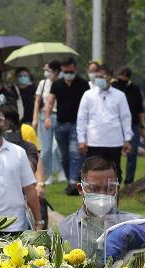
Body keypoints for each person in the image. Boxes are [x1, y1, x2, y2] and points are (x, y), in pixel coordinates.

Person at [58, 155, 140, 257]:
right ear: (80, 189)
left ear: (116, 189)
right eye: (94, 189)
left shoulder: (136, 228)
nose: (102, 195)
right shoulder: (63, 231)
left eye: (109, 189)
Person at [75, 65, 133, 182]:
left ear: (110, 77)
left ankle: (113, 197)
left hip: (114, 142)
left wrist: (127, 139)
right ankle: (93, 197)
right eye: (97, 77)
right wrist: (81, 139)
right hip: (94, 141)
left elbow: (125, 118)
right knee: (93, 172)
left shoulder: (120, 95)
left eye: (102, 76)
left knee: (115, 172)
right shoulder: (88, 95)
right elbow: (82, 118)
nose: (99, 79)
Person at [47, 59, 90, 195]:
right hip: (60, 125)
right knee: (64, 156)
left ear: (75, 69)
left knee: (75, 155)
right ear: (62, 71)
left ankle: (72, 183)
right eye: (65, 72)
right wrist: (47, 117)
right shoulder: (57, 84)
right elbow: (49, 102)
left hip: (76, 125)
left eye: (71, 71)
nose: (68, 74)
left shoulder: (83, 84)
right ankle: (69, 181)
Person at [113, 67, 145, 184]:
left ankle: (129, 180)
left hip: (133, 125)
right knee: (114, 153)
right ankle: (115, 178)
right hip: (115, 125)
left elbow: (140, 109)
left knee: (132, 154)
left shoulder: (134, 89)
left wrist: (143, 126)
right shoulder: (113, 86)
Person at [35, 61, 61, 184]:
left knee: (59, 147)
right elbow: (37, 101)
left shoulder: (61, 82)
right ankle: (47, 174)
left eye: (48, 70)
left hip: (59, 115)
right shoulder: (43, 83)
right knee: (46, 148)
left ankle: (61, 172)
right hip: (45, 116)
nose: (46, 72)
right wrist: (35, 118)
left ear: (56, 71)